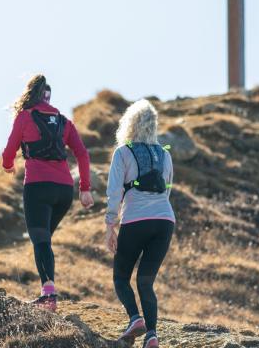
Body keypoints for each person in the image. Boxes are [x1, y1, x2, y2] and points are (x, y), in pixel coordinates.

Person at [2, 74, 94, 312]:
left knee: (40, 240)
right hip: (64, 191)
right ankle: (47, 291)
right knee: (43, 240)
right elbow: (82, 154)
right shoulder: (64, 122)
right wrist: (85, 189)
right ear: (48, 96)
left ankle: (49, 296)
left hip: (38, 187)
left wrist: (8, 165)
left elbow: (10, 149)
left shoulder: (25, 116)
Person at [105, 99, 175, 348]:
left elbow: (114, 192)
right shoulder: (164, 155)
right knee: (145, 280)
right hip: (165, 220)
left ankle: (135, 318)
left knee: (121, 278)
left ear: (129, 123)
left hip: (135, 220)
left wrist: (110, 225)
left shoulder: (123, 153)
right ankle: (152, 336)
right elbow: (166, 191)